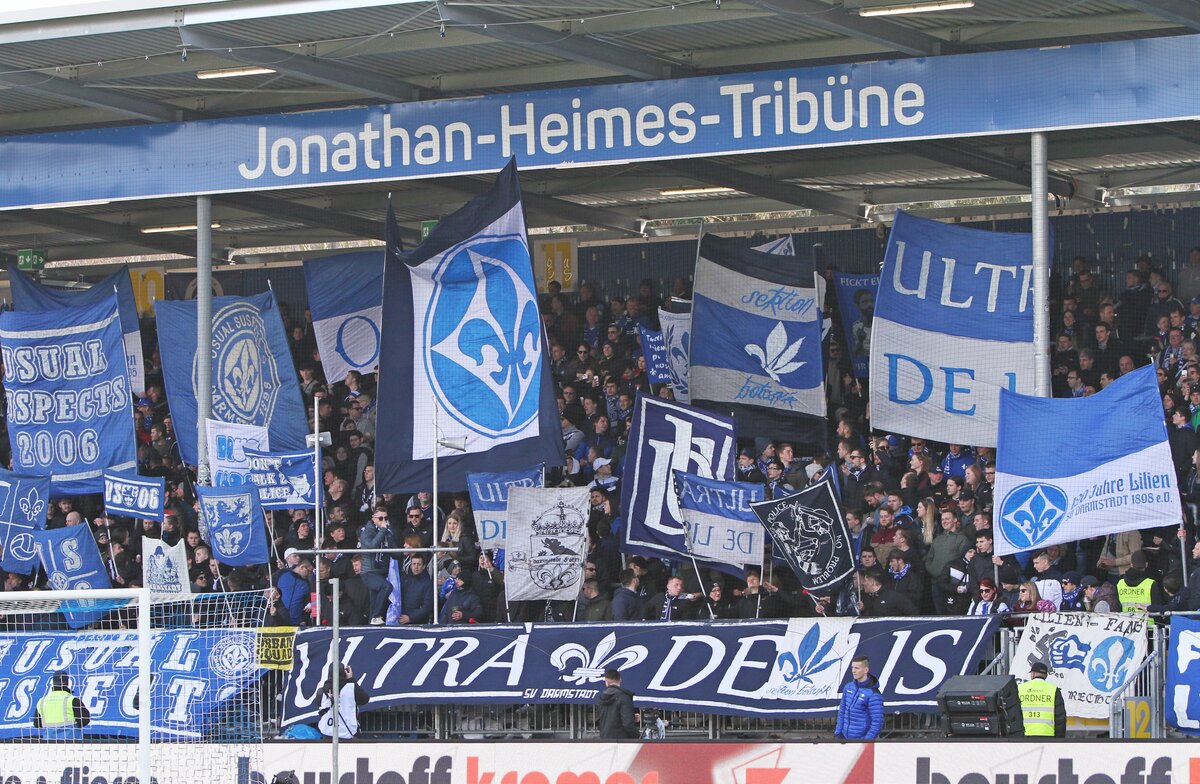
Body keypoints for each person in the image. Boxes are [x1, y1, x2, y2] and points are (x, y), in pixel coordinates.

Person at [834, 655, 883, 740]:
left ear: (866, 670)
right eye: (852, 668)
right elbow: (842, 711)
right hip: (843, 738)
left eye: (857, 668)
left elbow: (877, 722)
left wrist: (866, 741)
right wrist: (838, 732)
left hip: (861, 740)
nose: (853, 671)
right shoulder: (848, 687)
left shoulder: (874, 694)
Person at [317, 662, 370, 739]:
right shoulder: (352, 688)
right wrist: (351, 679)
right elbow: (365, 699)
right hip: (348, 731)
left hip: (328, 730)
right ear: (344, 672)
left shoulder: (323, 690)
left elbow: (320, 709)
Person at [34, 672, 91, 738]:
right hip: (72, 741)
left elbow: (37, 724)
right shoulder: (72, 700)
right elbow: (85, 720)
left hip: (49, 742)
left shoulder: (42, 701)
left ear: (53, 683)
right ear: (67, 683)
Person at [1018, 661, 1066, 738]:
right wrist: (1059, 738)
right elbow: (1060, 717)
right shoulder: (1053, 689)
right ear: (1046, 675)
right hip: (1047, 735)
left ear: (1033, 674)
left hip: (1024, 735)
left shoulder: (1020, 688)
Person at [596, 668, 638, 739]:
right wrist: (637, 736)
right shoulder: (624, 697)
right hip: (622, 741)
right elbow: (628, 723)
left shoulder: (600, 698)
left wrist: (631, 717)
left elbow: (600, 720)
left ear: (606, 682)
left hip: (604, 739)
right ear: (620, 680)